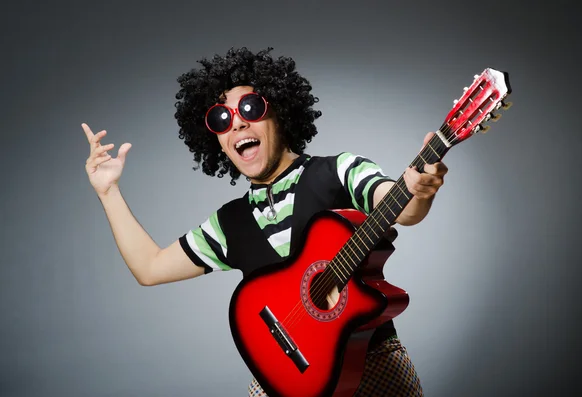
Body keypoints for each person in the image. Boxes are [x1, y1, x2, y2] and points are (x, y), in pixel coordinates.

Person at [82, 47, 448, 397]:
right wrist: (108, 192)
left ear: (280, 113)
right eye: (221, 118)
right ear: (217, 141)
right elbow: (149, 268)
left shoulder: (339, 171)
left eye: (251, 107)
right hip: (284, 382)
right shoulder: (229, 223)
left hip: (372, 369)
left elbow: (400, 207)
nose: (237, 121)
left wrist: (419, 190)